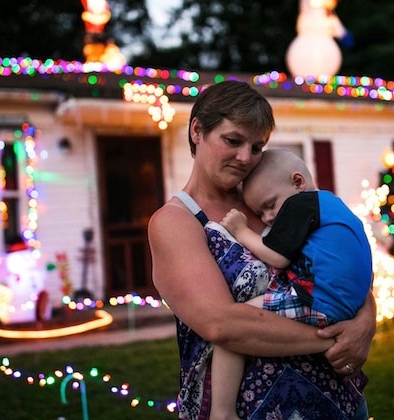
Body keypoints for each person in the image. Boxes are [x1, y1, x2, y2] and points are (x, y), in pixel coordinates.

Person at [148, 80, 376, 420]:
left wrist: (365, 321)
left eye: (257, 147)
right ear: (197, 131)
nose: (245, 158)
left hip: (339, 402)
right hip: (252, 411)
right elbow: (221, 325)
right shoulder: (176, 222)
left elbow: (339, 263)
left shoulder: (271, 201)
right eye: (233, 140)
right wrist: (333, 339)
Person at [210, 148, 373, 419]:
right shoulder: (332, 206)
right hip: (344, 306)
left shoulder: (303, 203)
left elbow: (278, 258)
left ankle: (221, 412)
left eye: (270, 204)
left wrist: (241, 231)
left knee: (235, 327)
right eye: (260, 213)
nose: (268, 218)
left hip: (317, 300)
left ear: (298, 182)